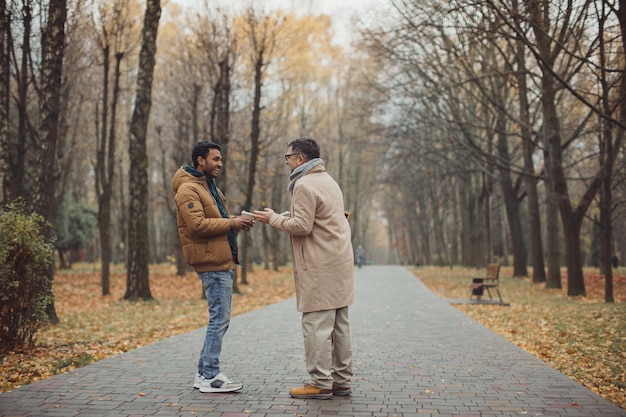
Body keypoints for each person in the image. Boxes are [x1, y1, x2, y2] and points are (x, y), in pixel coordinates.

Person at [254, 137, 355, 400]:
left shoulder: (304, 184)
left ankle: (320, 382)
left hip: (320, 264)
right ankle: (341, 381)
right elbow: (320, 218)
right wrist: (285, 216)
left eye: (288, 157)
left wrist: (273, 219)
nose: (287, 162)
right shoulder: (328, 181)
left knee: (316, 325)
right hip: (339, 261)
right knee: (339, 325)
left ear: (299, 159)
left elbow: (303, 227)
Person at [172, 141, 254, 393]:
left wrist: (235, 220)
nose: (220, 163)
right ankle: (210, 375)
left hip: (221, 258)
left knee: (219, 318)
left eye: (220, 159)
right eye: (215, 159)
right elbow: (197, 225)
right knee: (219, 319)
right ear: (200, 160)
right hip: (211, 262)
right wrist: (232, 223)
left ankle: (203, 374)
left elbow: (214, 219)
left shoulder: (208, 187)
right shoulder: (187, 189)